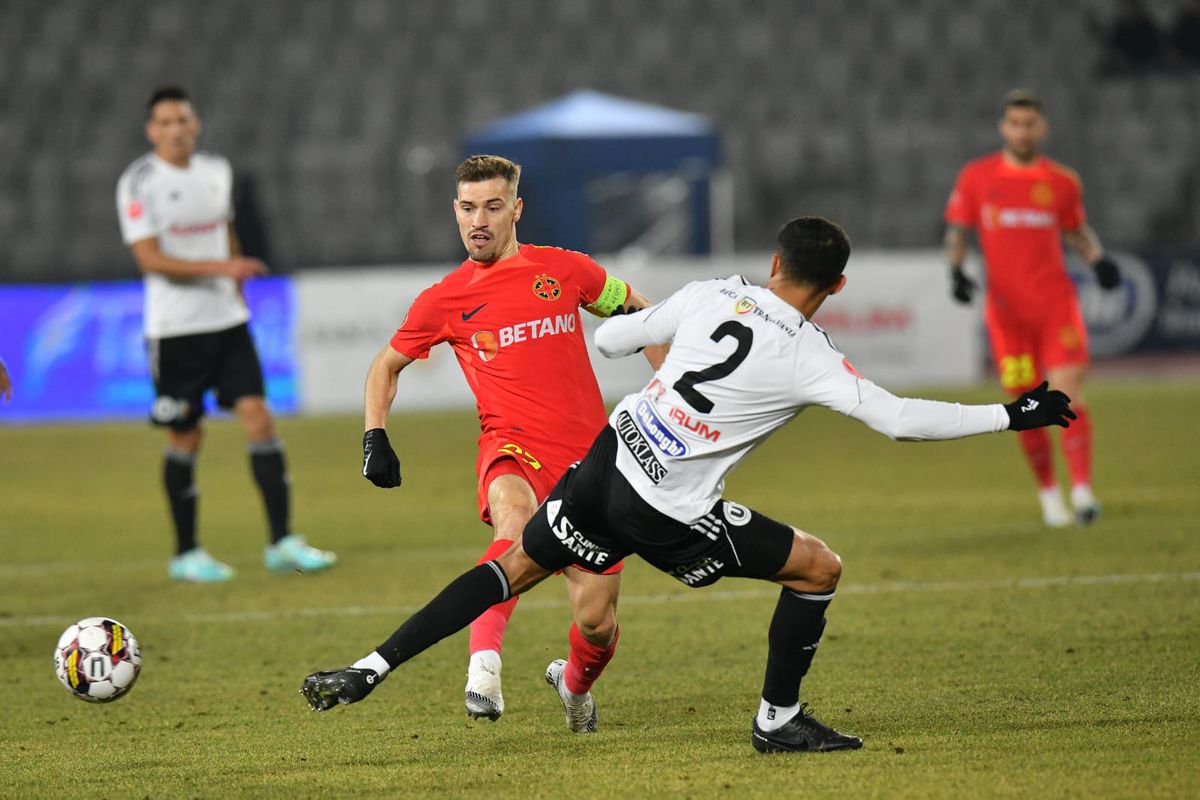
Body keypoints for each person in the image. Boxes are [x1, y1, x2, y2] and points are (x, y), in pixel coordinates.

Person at [301, 217, 1076, 753]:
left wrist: (665, 364)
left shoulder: (714, 292)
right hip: (665, 511)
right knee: (818, 567)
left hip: (603, 464)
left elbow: (610, 335)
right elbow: (901, 419)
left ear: (775, 263)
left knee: (509, 567)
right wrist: (1013, 415)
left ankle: (371, 667)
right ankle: (778, 720)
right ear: (835, 287)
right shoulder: (811, 355)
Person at [357, 154, 662, 722]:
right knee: (514, 526)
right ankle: (484, 668)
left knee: (597, 623)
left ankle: (572, 686)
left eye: (493, 207)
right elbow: (385, 365)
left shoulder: (568, 271)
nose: (479, 220)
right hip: (510, 446)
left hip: (590, 465)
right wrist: (375, 434)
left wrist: (671, 390)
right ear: (455, 211)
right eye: (469, 208)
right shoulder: (444, 298)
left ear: (515, 210)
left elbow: (643, 315)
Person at [116, 86, 336, 582]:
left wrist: (233, 283)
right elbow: (149, 258)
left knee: (259, 419)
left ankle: (282, 542)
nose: (176, 129)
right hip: (175, 330)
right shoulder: (139, 181)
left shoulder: (217, 171)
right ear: (152, 130)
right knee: (185, 434)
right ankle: (186, 552)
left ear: (195, 125)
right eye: (165, 122)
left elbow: (227, 231)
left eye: (183, 120)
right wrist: (224, 265)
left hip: (227, 322)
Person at [944, 89, 1119, 528]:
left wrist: (1098, 262)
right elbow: (958, 231)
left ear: (1042, 128)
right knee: (1027, 408)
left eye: (1030, 124)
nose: (1022, 132)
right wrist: (956, 271)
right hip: (1007, 317)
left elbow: (1077, 233)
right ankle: (1049, 497)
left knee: (1070, 395)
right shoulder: (977, 177)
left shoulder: (1061, 182)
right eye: (1015, 124)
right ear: (1004, 128)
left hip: (1055, 307)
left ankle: (1081, 492)